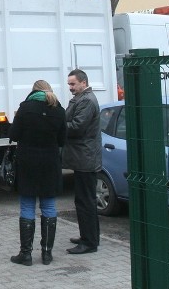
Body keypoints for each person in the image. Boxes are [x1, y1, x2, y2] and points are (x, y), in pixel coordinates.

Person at [8, 80, 66, 266]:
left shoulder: (25, 108)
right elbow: (62, 139)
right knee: (49, 206)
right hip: (50, 162)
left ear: (33, 91)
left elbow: (14, 135)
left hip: (28, 163)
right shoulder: (59, 110)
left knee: (27, 206)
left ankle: (26, 255)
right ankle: (47, 254)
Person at [63, 69, 102, 255]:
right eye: (69, 84)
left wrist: (59, 126)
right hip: (83, 158)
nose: (70, 87)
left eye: (73, 84)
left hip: (85, 158)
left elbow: (77, 127)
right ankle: (90, 236)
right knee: (85, 200)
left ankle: (89, 242)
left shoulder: (86, 101)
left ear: (83, 83)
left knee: (85, 201)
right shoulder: (82, 99)